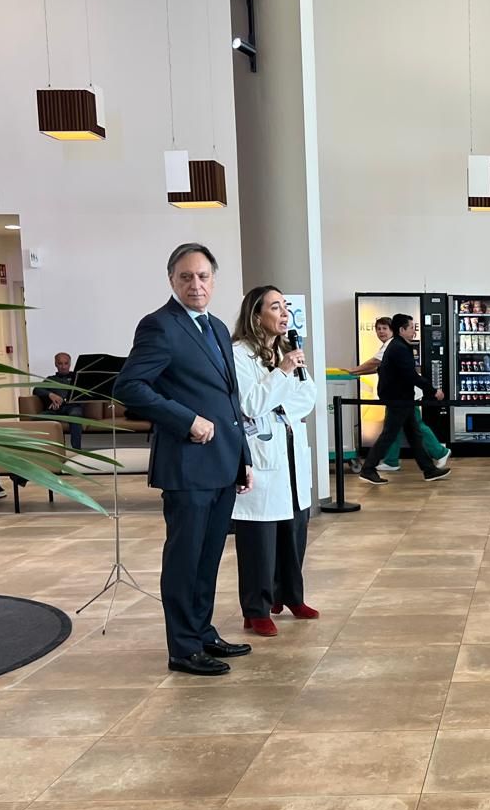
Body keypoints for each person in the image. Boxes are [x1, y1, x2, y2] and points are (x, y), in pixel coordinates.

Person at [116, 242, 255, 677]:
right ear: (172, 281)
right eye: (186, 277)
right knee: (184, 558)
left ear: (214, 280)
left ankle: (202, 631)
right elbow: (129, 387)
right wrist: (185, 419)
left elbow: (230, 399)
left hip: (222, 462)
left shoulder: (214, 327)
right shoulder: (159, 326)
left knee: (209, 555)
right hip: (187, 464)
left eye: (203, 277)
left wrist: (243, 457)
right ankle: (182, 647)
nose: (196, 284)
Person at [230, 286, 319, 634]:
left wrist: (279, 402)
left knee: (294, 528)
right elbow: (250, 405)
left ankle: (291, 595)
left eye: (286, 308)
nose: (284, 314)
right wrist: (281, 373)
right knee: (259, 538)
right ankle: (256, 609)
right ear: (256, 316)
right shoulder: (240, 354)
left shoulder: (285, 350)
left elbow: (307, 396)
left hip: (291, 450)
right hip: (264, 454)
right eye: (275, 307)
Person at [350, 316, 450, 474]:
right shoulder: (399, 347)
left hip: (403, 398)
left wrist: (354, 371)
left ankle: (428, 469)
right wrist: (433, 390)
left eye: (384, 328)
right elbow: (410, 375)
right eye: (411, 328)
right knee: (391, 435)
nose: (414, 331)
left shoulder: (396, 346)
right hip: (400, 398)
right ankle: (369, 469)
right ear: (402, 330)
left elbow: (381, 368)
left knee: (413, 434)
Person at [42, 352, 89, 449]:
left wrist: (62, 399)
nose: (63, 367)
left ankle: (77, 450)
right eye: (60, 363)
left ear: (70, 364)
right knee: (36, 418)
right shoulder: (51, 379)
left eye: (66, 363)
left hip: (73, 408)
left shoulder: (77, 377)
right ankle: (51, 449)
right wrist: (50, 395)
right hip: (56, 410)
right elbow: (37, 389)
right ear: (55, 364)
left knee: (75, 416)